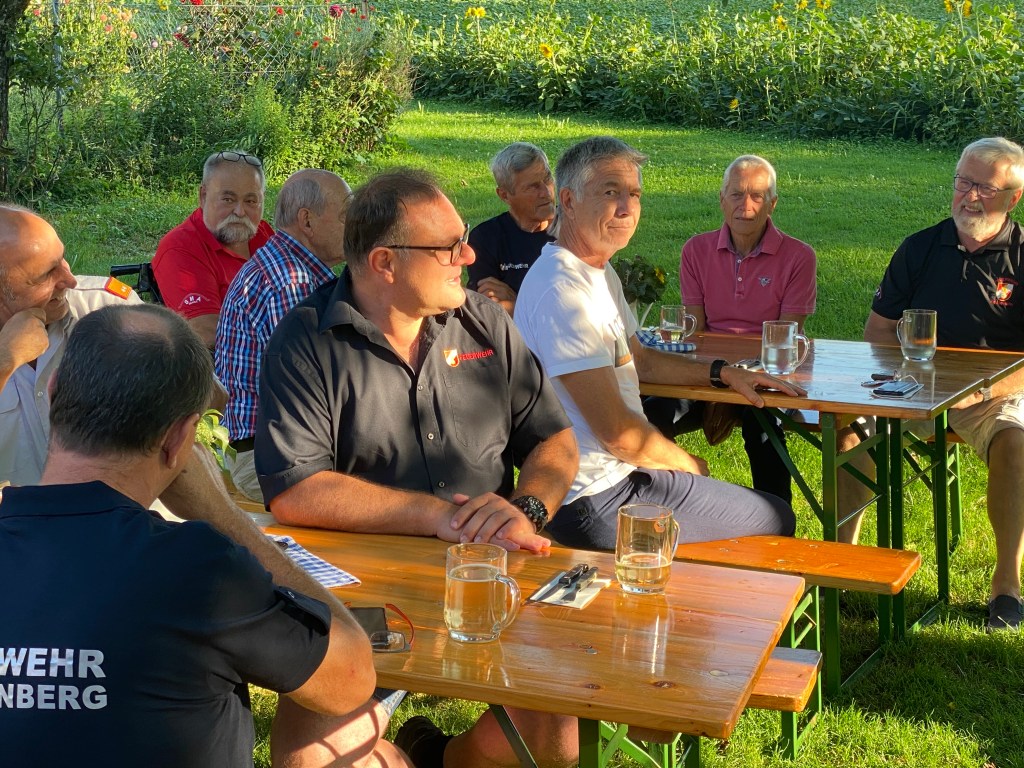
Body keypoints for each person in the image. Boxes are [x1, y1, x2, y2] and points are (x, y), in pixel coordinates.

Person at [256, 169, 580, 768]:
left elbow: (554, 440)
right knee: (308, 761)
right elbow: (295, 488)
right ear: (385, 262)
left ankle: (438, 756)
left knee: (554, 742)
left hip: (490, 573)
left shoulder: (484, 322)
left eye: (464, 238)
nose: (469, 255)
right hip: (372, 596)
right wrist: (436, 517)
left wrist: (526, 509)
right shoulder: (307, 339)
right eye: (449, 247)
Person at [0, 303, 383, 766]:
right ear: (179, 438)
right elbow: (351, 679)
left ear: (54, 392)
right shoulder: (200, 570)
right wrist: (220, 514)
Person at [515, 136, 804, 553]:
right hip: (596, 498)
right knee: (777, 517)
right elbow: (619, 435)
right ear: (569, 201)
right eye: (610, 192)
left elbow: (643, 360)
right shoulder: (563, 290)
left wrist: (721, 373)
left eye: (634, 194)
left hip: (618, 478)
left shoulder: (595, 270)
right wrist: (688, 465)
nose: (627, 208)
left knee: (763, 508)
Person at [840, 136, 1024, 632]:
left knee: (1016, 441)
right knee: (847, 428)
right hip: (914, 386)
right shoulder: (920, 247)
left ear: (1013, 198)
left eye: (985, 188)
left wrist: (985, 390)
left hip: (994, 393)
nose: (969, 196)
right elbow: (878, 332)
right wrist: (907, 378)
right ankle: (841, 562)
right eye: (963, 182)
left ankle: (1006, 586)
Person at [643, 154, 817, 503]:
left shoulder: (799, 256)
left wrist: (743, 373)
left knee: (762, 426)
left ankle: (777, 519)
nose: (745, 206)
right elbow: (697, 332)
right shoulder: (696, 250)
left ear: (772, 204)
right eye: (736, 194)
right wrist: (720, 373)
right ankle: (664, 503)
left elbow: (783, 338)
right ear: (722, 199)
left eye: (757, 196)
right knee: (651, 412)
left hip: (766, 371)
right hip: (710, 370)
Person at [215, 169, 351, 502]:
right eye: (346, 215)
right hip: (266, 456)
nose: (355, 226)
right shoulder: (292, 282)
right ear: (307, 221)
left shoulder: (289, 266)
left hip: (271, 446)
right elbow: (316, 384)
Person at [0, 205, 143, 487]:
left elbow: (204, 401)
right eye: (45, 275)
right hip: (19, 516)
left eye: (62, 259)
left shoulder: (110, 310)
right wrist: (5, 360)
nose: (70, 280)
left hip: (125, 509)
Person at [153, 149, 274, 347]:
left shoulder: (263, 233)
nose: (240, 212)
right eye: (228, 199)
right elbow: (206, 332)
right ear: (203, 196)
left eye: (251, 201)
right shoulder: (180, 247)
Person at [467, 142, 555, 315]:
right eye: (533, 186)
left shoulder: (575, 229)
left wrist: (516, 302)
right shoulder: (485, 239)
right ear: (505, 195)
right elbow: (488, 311)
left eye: (547, 179)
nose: (546, 192)